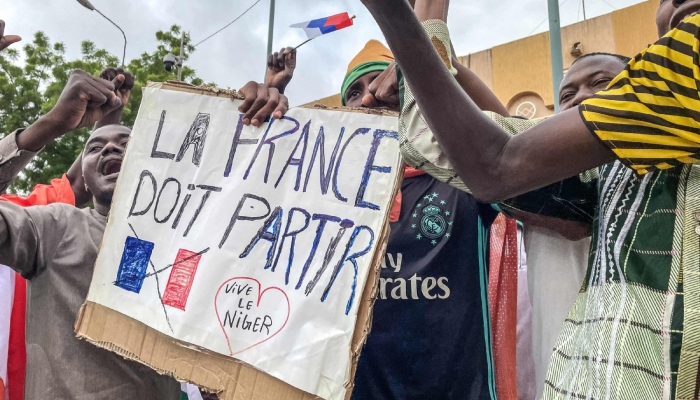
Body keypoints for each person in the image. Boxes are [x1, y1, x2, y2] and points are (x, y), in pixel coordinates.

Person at [360, 0, 700, 397]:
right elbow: (463, 144)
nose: (580, 98)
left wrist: (404, 18)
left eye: (602, 85)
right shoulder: (606, 175)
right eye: (568, 92)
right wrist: (420, 43)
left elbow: (495, 162)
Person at [268, 4, 516, 399]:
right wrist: (269, 102)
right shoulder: (326, 199)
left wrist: (431, 59)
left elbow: (510, 151)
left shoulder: (461, 179)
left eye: (385, 85)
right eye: (353, 92)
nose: (369, 98)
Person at [0, 68, 288, 399]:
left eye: (126, 143)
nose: (110, 150)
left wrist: (264, 119)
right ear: (84, 180)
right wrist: (51, 123)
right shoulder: (56, 227)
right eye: (95, 148)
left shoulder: (191, 248)